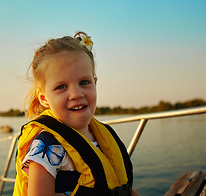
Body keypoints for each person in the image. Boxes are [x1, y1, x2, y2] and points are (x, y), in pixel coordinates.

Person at [13, 31, 140, 196]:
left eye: (84, 82)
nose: (76, 94)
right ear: (44, 98)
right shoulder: (46, 148)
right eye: (61, 87)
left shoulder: (102, 136)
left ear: (95, 83)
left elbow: (120, 188)